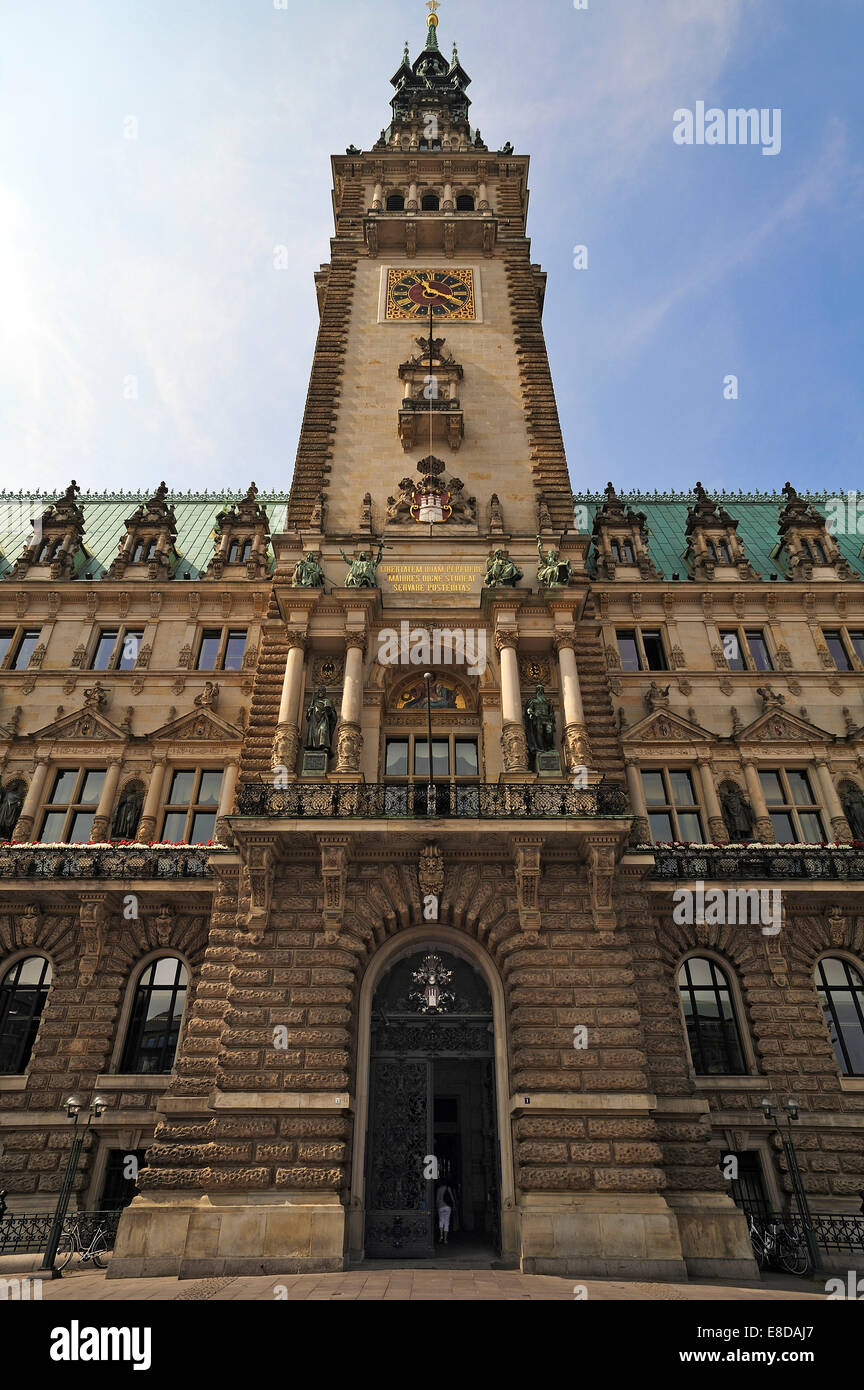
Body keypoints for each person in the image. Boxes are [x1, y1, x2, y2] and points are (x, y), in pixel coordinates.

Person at [436, 1181, 456, 1245]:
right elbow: (452, 1198)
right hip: (447, 1207)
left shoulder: (438, 1189)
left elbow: (437, 1200)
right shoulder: (448, 1188)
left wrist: (437, 1207)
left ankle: (441, 1236)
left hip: (440, 1207)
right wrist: (454, 1205)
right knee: (446, 1222)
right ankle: (445, 1239)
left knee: (441, 1221)